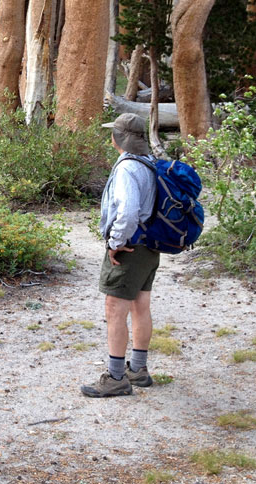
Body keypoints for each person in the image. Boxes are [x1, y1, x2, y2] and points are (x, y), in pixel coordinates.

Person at [81, 113, 159, 398]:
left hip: (130, 248)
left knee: (115, 309)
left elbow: (127, 212)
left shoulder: (127, 168)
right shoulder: (148, 163)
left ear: (118, 138)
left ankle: (115, 378)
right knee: (141, 305)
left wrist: (115, 243)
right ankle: (138, 370)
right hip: (149, 246)